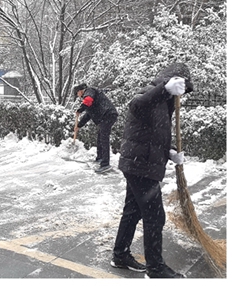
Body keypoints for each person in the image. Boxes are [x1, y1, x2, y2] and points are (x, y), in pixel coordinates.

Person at [111, 62, 193, 278]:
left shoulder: (165, 103)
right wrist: (164, 89)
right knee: (155, 217)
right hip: (140, 165)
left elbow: (155, 134)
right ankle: (155, 269)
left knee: (133, 211)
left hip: (140, 163)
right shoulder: (150, 93)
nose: (181, 94)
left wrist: (170, 151)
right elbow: (136, 105)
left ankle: (120, 255)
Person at [74, 83, 118, 173]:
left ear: (80, 91)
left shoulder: (90, 91)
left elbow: (88, 100)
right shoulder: (89, 101)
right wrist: (79, 126)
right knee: (100, 137)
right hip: (104, 117)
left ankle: (105, 164)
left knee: (104, 138)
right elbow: (88, 115)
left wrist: (80, 109)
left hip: (108, 114)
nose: (78, 96)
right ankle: (100, 158)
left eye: (77, 94)